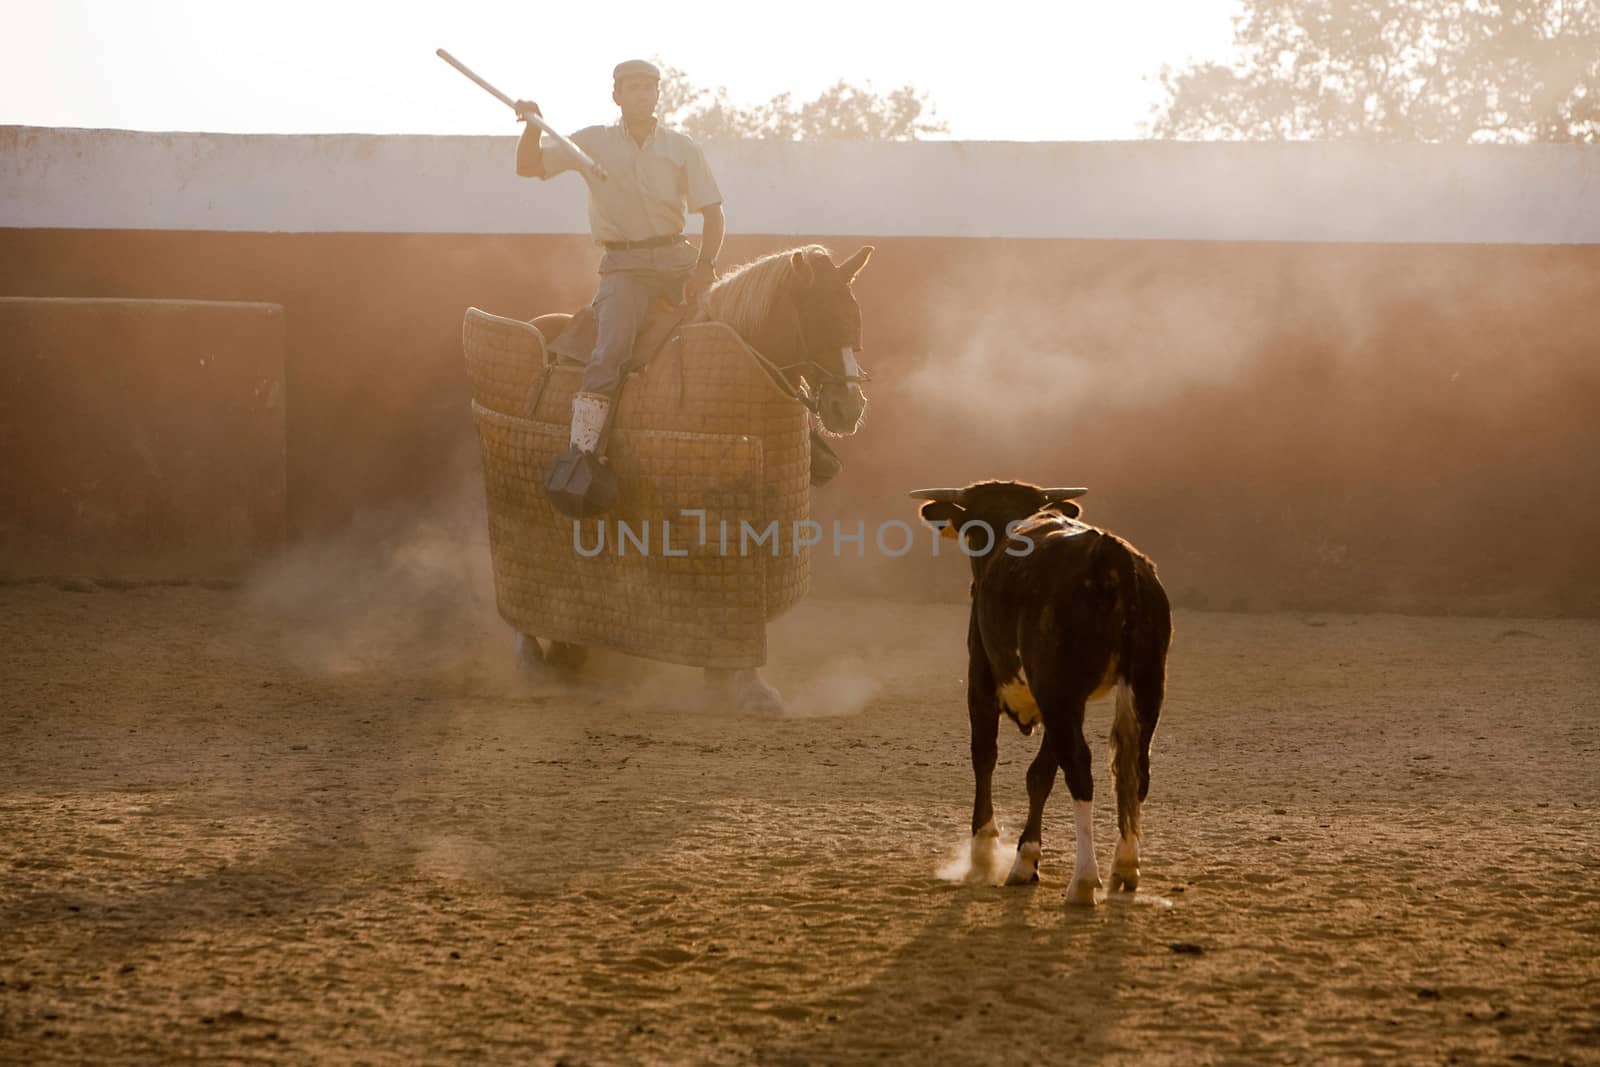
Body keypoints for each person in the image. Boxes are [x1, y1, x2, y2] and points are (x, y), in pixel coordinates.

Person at [514, 58, 725, 460]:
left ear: (658, 94)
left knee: (738, 328)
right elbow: (529, 166)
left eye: (648, 87)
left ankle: (804, 430)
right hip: (625, 268)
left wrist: (705, 266)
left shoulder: (682, 148)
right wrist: (530, 126)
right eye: (632, 88)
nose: (641, 94)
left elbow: (713, 214)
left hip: (680, 260)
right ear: (617, 96)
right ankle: (581, 457)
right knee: (609, 354)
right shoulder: (591, 143)